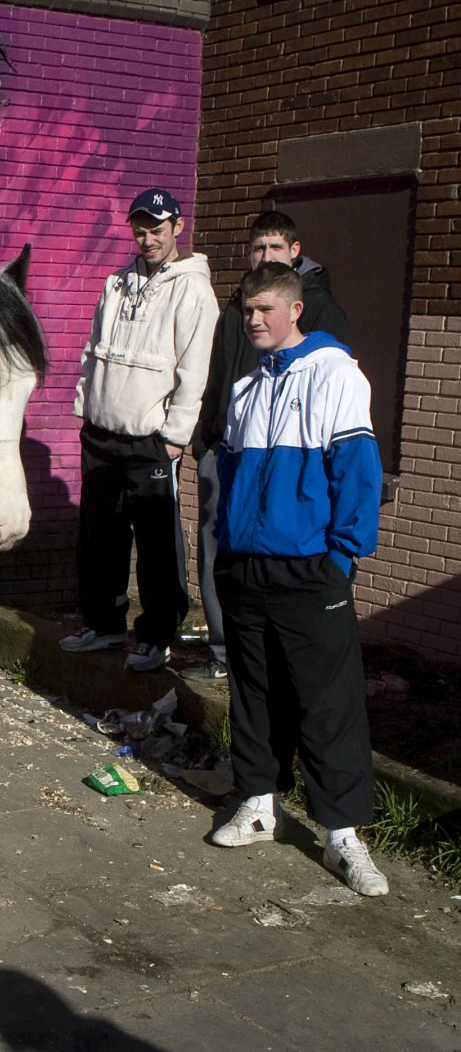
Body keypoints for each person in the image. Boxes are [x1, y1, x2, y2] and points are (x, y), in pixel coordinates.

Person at [207, 262, 386, 897]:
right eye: (247, 310)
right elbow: (229, 475)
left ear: (294, 309)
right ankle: (259, 803)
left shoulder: (335, 372)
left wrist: (342, 555)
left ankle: (342, 836)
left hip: (313, 568)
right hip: (247, 567)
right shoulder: (245, 387)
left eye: (265, 310)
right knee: (254, 693)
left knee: (326, 700)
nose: (254, 320)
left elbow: (359, 471)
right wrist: (228, 547)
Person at [185, 211, 350, 682]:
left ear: (295, 252)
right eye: (258, 248)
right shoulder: (239, 306)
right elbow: (218, 373)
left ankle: (264, 658)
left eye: (275, 248)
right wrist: (205, 436)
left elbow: (329, 393)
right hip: (229, 444)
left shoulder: (316, 306)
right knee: (220, 548)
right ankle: (223, 652)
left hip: (283, 454)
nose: (265, 256)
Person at [62, 188, 218, 673]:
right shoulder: (116, 282)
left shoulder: (193, 289)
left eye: (157, 228)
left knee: (155, 543)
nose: (148, 238)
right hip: (103, 432)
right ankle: (104, 624)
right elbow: (93, 349)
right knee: (99, 535)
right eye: (140, 229)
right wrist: (86, 409)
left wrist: (175, 436)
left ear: (177, 226)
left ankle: (156, 635)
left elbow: (195, 370)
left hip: (151, 439)